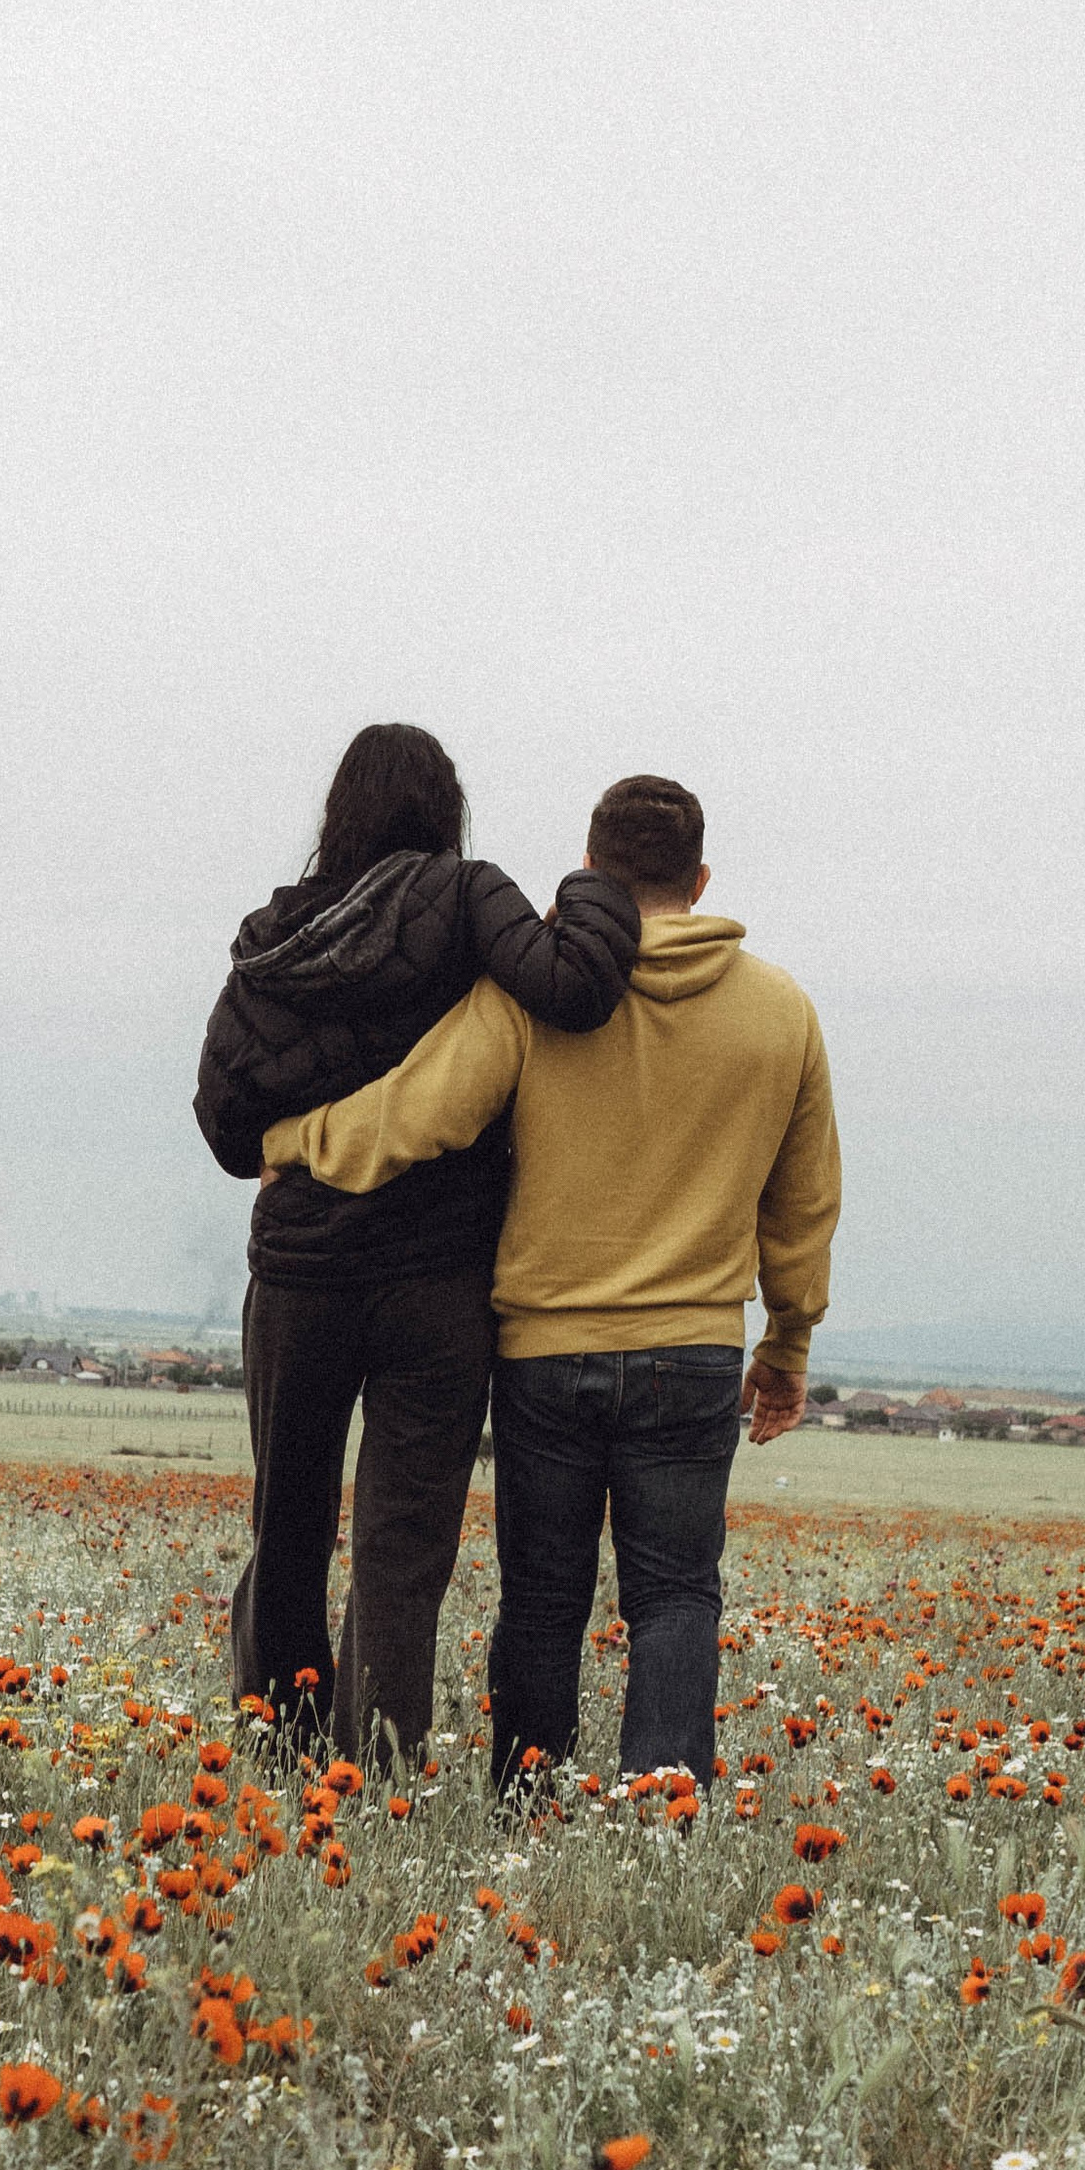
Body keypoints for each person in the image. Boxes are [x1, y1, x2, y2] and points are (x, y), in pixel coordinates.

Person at [258, 772, 838, 1794]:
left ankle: (526, 1805)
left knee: (540, 1597)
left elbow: (417, 1113)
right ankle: (661, 1813)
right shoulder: (781, 1014)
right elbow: (801, 1210)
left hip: (543, 1350)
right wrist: (785, 1349)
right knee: (673, 1597)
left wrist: (295, 1141)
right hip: (695, 1352)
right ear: (700, 879)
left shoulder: (535, 997)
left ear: (586, 868)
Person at [195, 722, 639, 1764]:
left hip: (299, 1277)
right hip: (437, 1284)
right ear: (444, 809)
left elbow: (224, 1125)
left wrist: (295, 1130)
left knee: (287, 1526)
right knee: (402, 1547)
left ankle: (278, 1753)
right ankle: (379, 1768)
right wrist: (591, 887)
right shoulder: (468, 895)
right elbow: (574, 986)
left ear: (337, 812)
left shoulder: (274, 937)